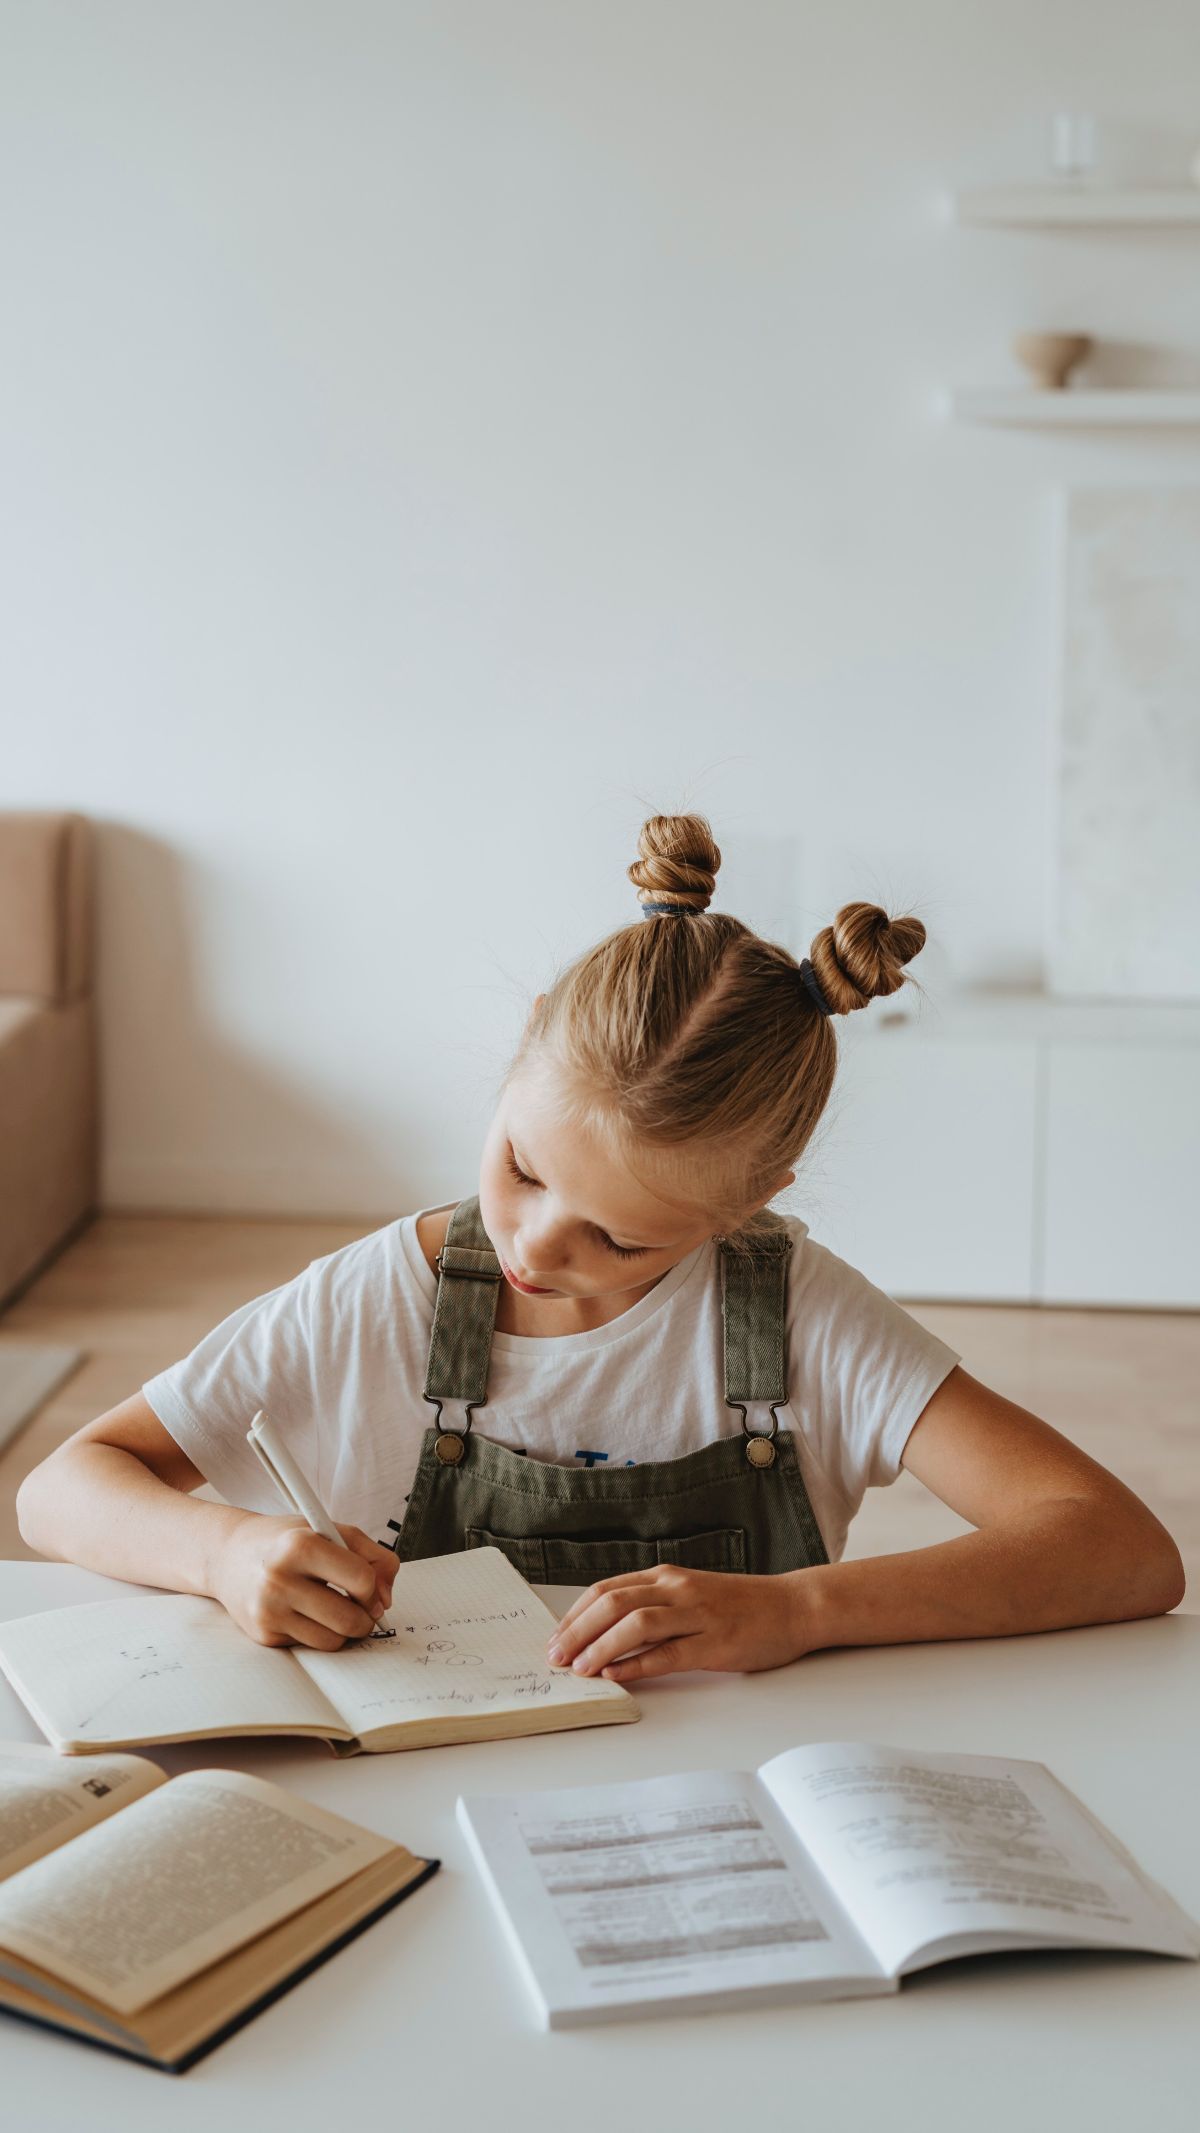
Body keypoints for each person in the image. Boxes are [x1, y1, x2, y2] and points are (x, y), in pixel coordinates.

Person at [16, 813, 1184, 1684]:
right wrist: (224, 1554)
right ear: (526, 1045)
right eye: (522, 1168)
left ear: (750, 1202)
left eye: (621, 1237)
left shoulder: (802, 1319)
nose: (531, 1241)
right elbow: (62, 1490)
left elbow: (1121, 1551)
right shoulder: (378, 1299)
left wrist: (802, 1613)